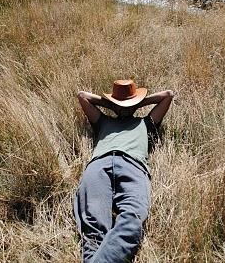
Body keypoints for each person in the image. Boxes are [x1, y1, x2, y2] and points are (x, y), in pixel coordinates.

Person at [73, 79, 174, 263]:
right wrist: (113, 105)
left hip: (133, 166)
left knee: (133, 218)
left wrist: (135, 104)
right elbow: (82, 96)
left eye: (129, 104)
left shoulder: (146, 123)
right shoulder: (103, 122)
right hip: (99, 166)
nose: (125, 108)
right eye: (121, 104)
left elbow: (168, 95)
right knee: (94, 226)